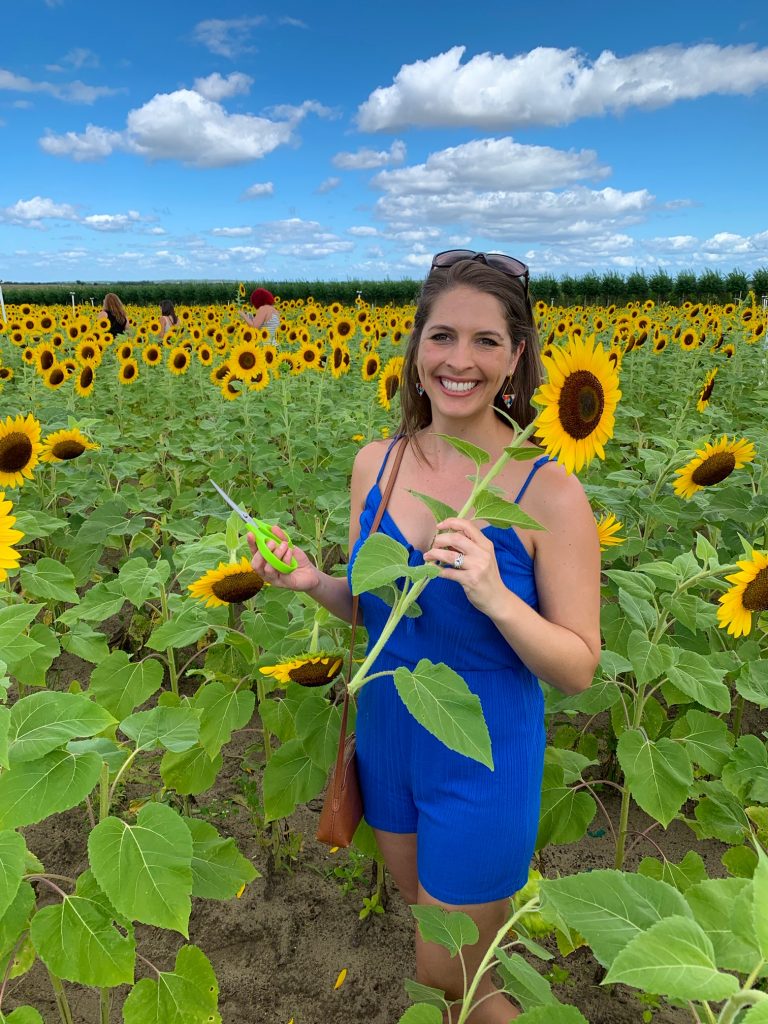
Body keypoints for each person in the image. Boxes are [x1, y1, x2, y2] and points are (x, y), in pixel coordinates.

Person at [248, 253, 601, 1022]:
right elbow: (375, 609)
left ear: (516, 359)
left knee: (452, 981)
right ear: (416, 349)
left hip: (481, 761)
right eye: (442, 336)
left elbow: (577, 666)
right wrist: (313, 583)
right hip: (389, 752)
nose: (459, 360)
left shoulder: (550, 490)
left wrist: (496, 597)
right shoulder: (377, 464)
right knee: (448, 954)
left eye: (485, 342)